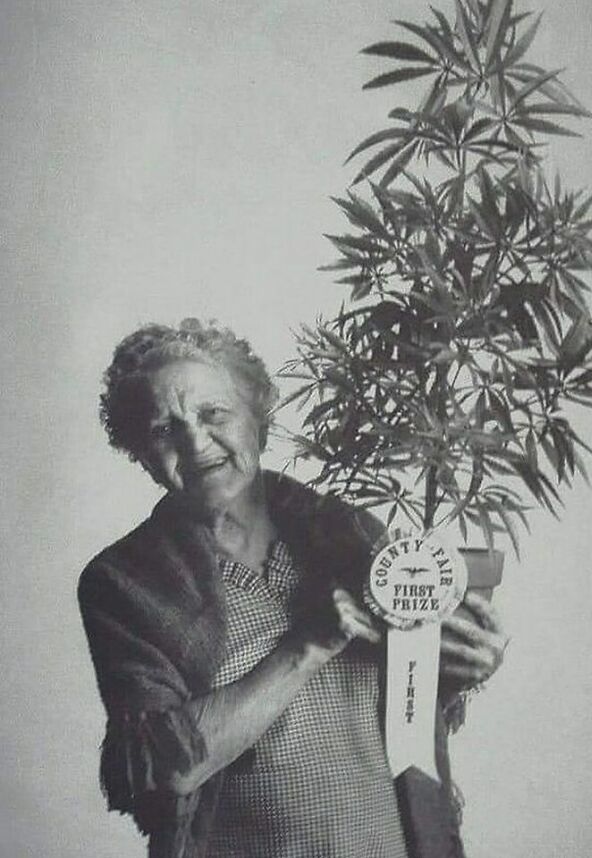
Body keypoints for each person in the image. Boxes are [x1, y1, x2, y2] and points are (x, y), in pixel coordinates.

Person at [78, 318, 508, 858]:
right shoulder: (123, 582)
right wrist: (304, 648)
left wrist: (462, 663)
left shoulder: (353, 535)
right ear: (140, 453)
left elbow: (411, 707)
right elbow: (164, 769)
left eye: (215, 414)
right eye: (165, 430)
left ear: (258, 421)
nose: (195, 441)